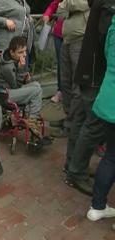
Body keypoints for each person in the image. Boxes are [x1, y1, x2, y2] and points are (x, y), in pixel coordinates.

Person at [66, 0, 115, 196]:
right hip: (96, 73)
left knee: (81, 120)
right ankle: (76, 171)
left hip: (89, 70)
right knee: (93, 125)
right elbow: (106, 39)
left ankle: (73, 165)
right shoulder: (108, 5)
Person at [0, 36, 52, 147]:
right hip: (4, 94)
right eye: (20, 52)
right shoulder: (8, 67)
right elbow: (16, 86)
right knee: (36, 91)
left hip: (9, 90)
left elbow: (18, 84)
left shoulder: (10, 58)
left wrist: (25, 78)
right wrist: (20, 70)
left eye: (25, 51)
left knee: (36, 85)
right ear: (12, 52)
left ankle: (31, 116)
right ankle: (32, 120)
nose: (24, 55)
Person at [86, 15, 115, 221]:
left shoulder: (113, 25)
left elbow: (107, 53)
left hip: (109, 98)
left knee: (111, 157)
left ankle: (97, 207)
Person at [56, 0, 90, 174]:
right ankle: (69, 121)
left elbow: (83, 4)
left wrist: (68, 5)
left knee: (78, 88)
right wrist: (69, 6)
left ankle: (72, 123)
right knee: (66, 84)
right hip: (67, 39)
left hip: (81, 38)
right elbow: (59, 9)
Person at [42, 0, 64, 104]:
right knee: (60, 63)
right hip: (59, 34)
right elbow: (53, 5)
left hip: (75, 35)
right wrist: (47, 14)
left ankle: (71, 92)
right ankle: (60, 91)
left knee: (72, 64)